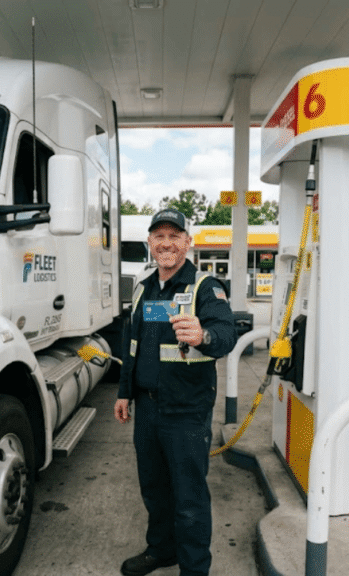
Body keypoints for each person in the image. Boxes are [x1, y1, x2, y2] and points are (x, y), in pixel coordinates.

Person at [114, 208, 237, 576]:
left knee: (189, 498)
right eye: (159, 236)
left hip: (186, 410)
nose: (166, 243)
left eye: (174, 236)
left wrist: (204, 335)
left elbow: (226, 334)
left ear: (188, 242)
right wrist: (124, 392)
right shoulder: (144, 288)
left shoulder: (204, 287)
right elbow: (132, 343)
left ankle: (195, 570)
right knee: (154, 489)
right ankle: (161, 550)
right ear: (149, 243)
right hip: (147, 408)